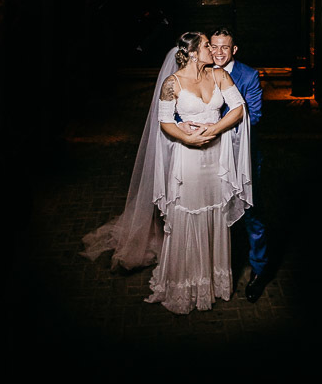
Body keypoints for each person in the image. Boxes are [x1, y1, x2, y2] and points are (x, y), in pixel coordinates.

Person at [81, 32, 251, 315]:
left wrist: (213, 129)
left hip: (217, 160)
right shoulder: (172, 84)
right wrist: (187, 138)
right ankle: (184, 282)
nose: (213, 50)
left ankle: (212, 282)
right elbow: (164, 121)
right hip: (189, 161)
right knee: (189, 212)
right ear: (194, 52)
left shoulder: (220, 76)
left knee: (214, 213)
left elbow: (238, 109)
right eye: (207, 45)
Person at [209, 26, 270, 302]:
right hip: (207, 156)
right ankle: (217, 270)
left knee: (251, 215)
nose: (218, 52)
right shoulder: (202, 71)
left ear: (233, 50)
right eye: (214, 46)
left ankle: (259, 270)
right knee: (212, 212)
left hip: (241, 157)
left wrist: (214, 128)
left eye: (225, 47)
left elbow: (254, 115)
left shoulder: (248, 75)